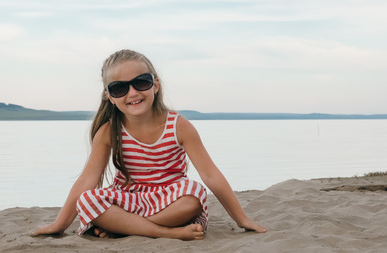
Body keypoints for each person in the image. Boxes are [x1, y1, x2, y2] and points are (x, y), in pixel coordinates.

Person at [32, 49, 267, 240]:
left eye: (140, 82)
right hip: (129, 199)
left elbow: (210, 175)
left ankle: (122, 227)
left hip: (169, 199)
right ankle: (163, 232)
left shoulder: (178, 125)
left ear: (155, 84)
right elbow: (87, 180)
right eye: (120, 88)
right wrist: (59, 225)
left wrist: (241, 219)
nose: (132, 92)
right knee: (88, 200)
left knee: (194, 194)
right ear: (110, 96)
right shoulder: (108, 131)